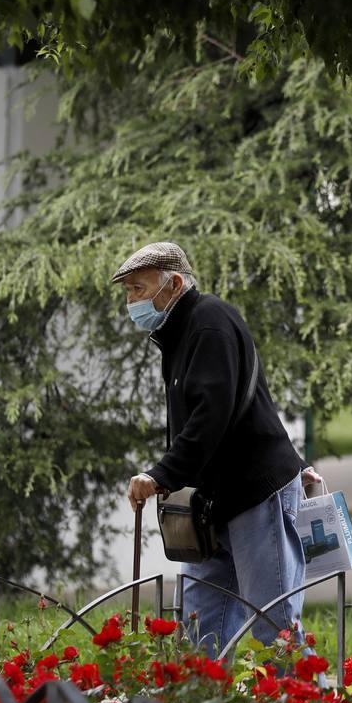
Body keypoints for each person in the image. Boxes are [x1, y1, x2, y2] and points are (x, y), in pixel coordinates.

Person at [114, 241, 314, 655]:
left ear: (172, 285)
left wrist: (160, 475)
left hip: (255, 492)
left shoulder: (208, 322)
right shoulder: (179, 331)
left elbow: (211, 416)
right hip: (217, 500)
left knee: (273, 626)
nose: (131, 301)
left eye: (138, 288)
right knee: (201, 628)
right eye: (128, 291)